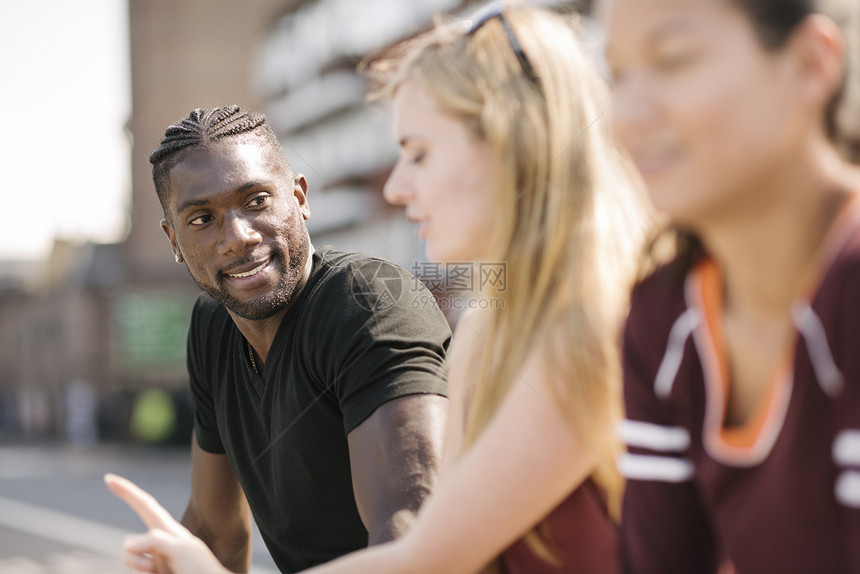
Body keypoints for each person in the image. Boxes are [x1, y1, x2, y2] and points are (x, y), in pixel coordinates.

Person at [106, 3, 651, 573]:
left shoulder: (584, 329)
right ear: (173, 237)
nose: (395, 185)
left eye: (419, 152)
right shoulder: (488, 329)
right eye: (201, 220)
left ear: (512, 145)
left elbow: (422, 554)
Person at [108, 105, 452, 573]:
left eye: (256, 201)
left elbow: (411, 542)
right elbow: (215, 535)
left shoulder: (367, 303)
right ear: (173, 241)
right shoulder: (213, 326)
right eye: (201, 219)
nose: (237, 237)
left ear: (300, 198)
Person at [601, 0, 860, 571]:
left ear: (811, 65)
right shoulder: (661, 315)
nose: (626, 115)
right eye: (617, 75)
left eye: (673, 61)